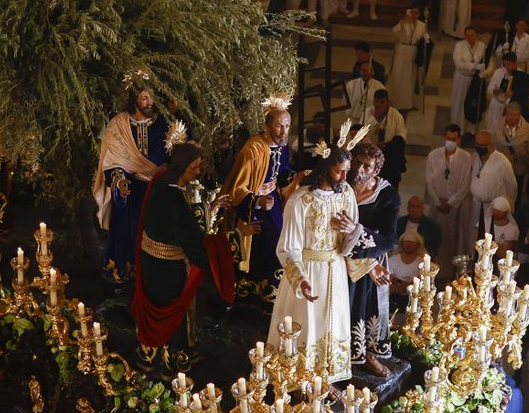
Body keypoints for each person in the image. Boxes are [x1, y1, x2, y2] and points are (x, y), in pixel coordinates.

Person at [268, 141, 363, 383]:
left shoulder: (347, 194)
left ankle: (327, 377)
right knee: (307, 325)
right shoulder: (301, 200)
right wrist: (300, 280)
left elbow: (350, 240)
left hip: (336, 270)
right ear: (325, 167)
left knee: (333, 325)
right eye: (339, 171)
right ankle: (300, 378)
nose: (344, 177)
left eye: (346, 171)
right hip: (308, 271)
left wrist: (352, 230)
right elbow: (288, 247)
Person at [131, 142, 230, 363]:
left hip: (150, 262)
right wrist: (219, 252)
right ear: (183, 168)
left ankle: (149, 355)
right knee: (173, 311)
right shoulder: (175, 199)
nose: (199, 171)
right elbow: (194, 240)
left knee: (154, 306)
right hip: (170, 268)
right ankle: (173, 360)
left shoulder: (160, 181)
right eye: (194, 167)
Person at [93, 84, 170, 285]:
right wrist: (119, 181)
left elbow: (173, 156)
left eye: (151, 97)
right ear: (134, 99)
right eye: (144, 98)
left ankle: (149, 275)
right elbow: (111, 162)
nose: (149, 102)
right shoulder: (119, 125)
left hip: (156, 189)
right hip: (129, 189)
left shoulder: (163, 123)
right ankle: (121, 271)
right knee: (125, 229)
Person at [222, 98, 297, 285]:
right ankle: (253, 294)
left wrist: (300, 176)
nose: (284, 131)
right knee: (263, 247)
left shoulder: (282, 146)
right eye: (280, 126)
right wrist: (256, 201)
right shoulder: (252, 150)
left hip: (273, 201)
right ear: (267, 126)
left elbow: (281, 173)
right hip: (254, 205)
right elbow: (237, 188)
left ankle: (271, 293)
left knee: (278, 243)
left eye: (287, 126)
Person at [346, 141, 402, 377]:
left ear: (376, 170)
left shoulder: (388, 197)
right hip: (339, 258)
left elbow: (390, 240)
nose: (359, 169)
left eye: (366, 166)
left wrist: (356, 232)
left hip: (370, 263)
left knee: (363, 307)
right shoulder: (341, 184)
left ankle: (365, 355)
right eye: (357, 162)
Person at [426, 125, 476, 275]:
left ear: (459, 139)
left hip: (455, 206)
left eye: (453, 139)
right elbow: (429, 180)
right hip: (438, 205)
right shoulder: (433, 155)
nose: (450, 141)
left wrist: (451, 203)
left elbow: (466, 183)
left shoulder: (466, 157)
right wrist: (436, 201)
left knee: (455, 239)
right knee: (436, 237)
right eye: (448, 139)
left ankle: (452, 272)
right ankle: (434, 269)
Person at [389, 8, 428, 112]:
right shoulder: (403, 23)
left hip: (414, 52)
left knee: (413, 76)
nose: (414, 15)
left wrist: (426, 39)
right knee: (401, 75)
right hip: (402, 51)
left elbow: (424, 39)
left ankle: (412, 102)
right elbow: (394, 34)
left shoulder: (422, 25)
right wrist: (402, 23)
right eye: (412, 13)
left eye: (417, 13)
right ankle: (399, 102)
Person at [451, 25, 489, 130]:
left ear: (476, 35)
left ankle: (471, 129)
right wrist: (473, 66)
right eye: (467, 35)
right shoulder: (459, 45)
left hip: (475, 79)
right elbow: (458, 63)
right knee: (461, 101)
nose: (469, 38)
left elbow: (489, 62)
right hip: (462, 78)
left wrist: (485, 72)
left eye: (472, 35)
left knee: (473, 103)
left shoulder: (482, 46)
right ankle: (459, 126)